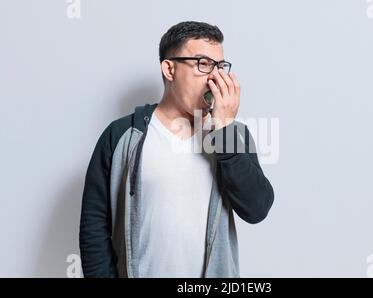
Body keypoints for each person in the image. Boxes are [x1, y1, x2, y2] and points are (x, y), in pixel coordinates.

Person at [79, 21, 274, 278]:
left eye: (220, 66)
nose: (215, 77)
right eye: (203, 64)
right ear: (169, 69)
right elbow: (94, 225)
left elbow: (256, 209)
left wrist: (224, 129)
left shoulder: (233, 135)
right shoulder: (121, 135)